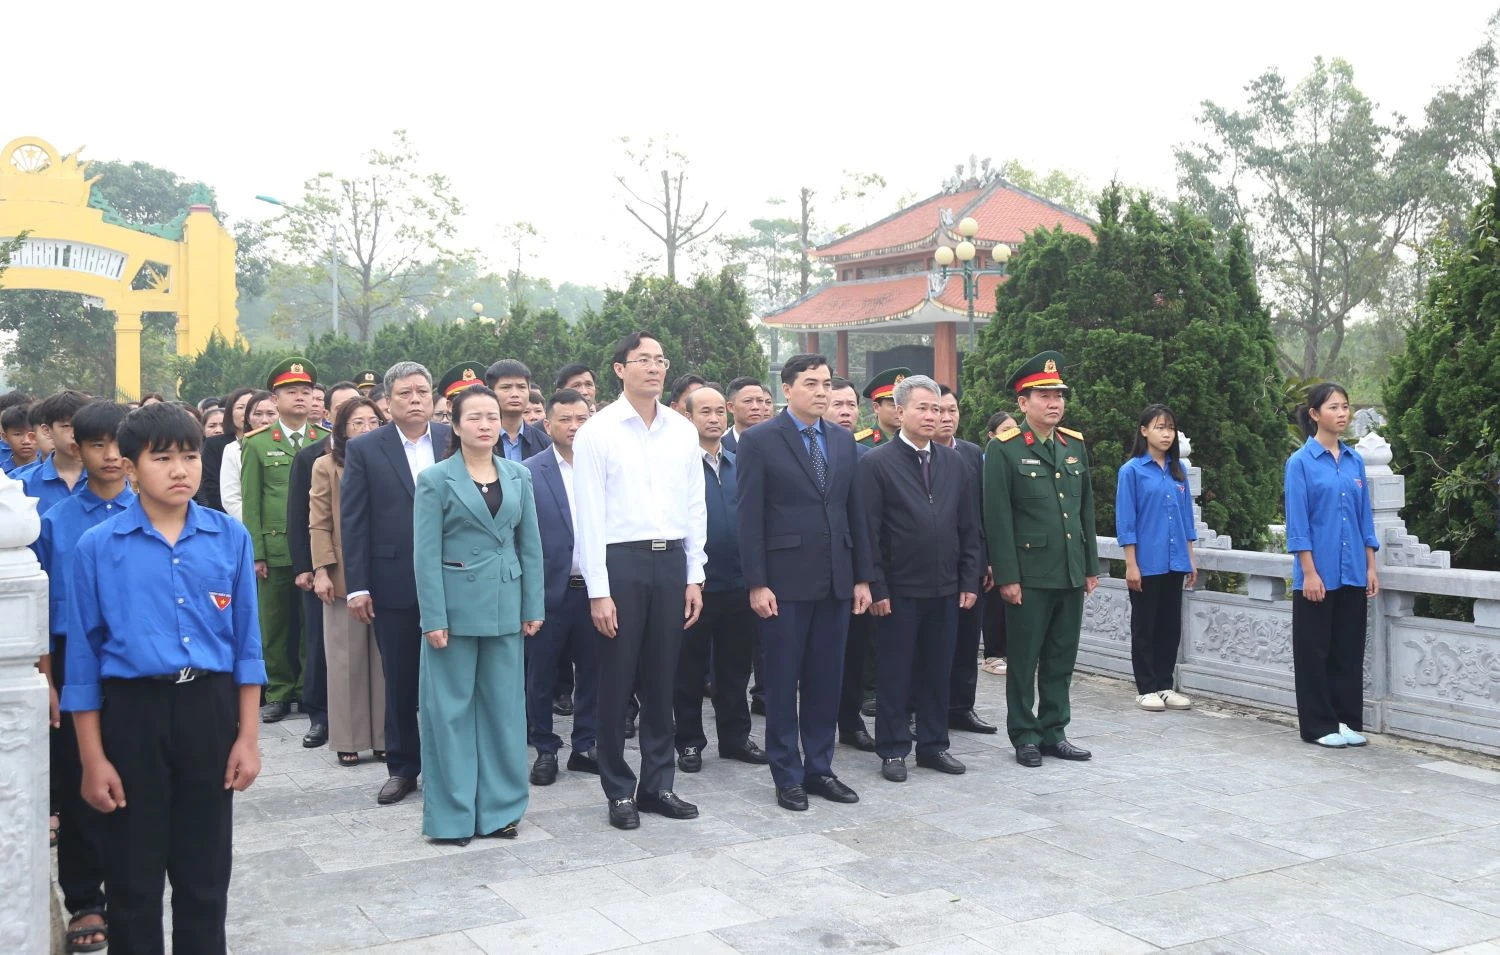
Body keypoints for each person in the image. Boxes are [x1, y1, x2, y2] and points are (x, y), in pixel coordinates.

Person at [60, 402, 264, 954]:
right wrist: (93, 759)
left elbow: (246, 646)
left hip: (208, 710)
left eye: (190, 456)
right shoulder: (98, 547)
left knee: (205, 877)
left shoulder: (229, 537)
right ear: (130, 468)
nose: (180, 470)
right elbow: (83, 660)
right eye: (163, 458)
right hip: (132, 714)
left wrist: (247, 737)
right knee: (132, 879)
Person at [573, 330, 707, 831]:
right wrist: (598, 591)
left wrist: (694, 574)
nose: (654, 368)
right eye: (643, 360)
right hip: (620, 563)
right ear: (619, 369)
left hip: (671, 561)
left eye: (660, 360)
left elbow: (695, 505)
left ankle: (657, 785)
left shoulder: (681, 430)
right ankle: (617, 789)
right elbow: (588, 515)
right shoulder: (598, 431)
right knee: (616, 681)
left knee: (662, 678)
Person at [737, 353, 874, 811]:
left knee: (825, 680)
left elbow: (855, 512)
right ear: (788, 389)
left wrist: (862, 577)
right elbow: (749, 515)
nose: (821, 392)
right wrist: (757, 582)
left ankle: (820, 768)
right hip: (783, 584)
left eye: (826, 384)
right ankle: (787, 774)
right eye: (811, 383)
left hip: (836, 579)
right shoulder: (760, 440)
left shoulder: (842, 439)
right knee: (781, 682)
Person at [413, 383, 544, 845]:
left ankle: (501, 810)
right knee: (449, 713)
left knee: (505, 712)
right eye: (474, 417)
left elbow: (530, 545)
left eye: (492, 416)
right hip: (453, 609)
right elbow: (425, 554)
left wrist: (533, 605)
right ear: (454, 424)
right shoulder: (435, 480)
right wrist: (433, 617)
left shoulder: (518, 475)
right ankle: (452, 816)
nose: (485, 425)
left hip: (506, 604)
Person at [36, 400, 134, 953]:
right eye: (99, 444)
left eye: (120, 444)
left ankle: (131, 887)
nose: (111, 455)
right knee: (80, 780)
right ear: (78, 447)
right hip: (76, 658)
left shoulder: (154, 513)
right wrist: (47, 680)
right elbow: (42, 614)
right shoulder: (56, 522)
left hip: (138, 662)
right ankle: (85, 898)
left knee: (138, 777)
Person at [341, 362, 452, 805]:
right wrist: (357, 586)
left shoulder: (452, 438)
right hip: (393, 580)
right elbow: (354, 519)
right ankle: (403, 767)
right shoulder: (366, 448)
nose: (415, 399)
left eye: (422, 391)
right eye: (405, 393)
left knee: (452, 677)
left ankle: (450, 764)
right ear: (387, 402)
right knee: (401, 678)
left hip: (454, 576)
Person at [860, 376, 981, 781]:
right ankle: (893, 748)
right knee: (895, 672)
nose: (932, 416)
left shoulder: (955, 462)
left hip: (945, 587)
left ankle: (933, 745)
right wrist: (877, 586)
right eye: (922, 408)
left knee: (937, 670)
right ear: (900, 412)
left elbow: (969, 527)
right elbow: (869, 533)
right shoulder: (876, 463)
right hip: (898, 590)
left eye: (938, 408)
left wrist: (968, 580)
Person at [983, 351, 1098, 768]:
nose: (1054, 403)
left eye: (1059, 395)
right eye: (1044, 396)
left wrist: (1089, 566)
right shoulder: (1005, 450)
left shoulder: (1073, 444)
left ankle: (1054, 731)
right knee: (1024, 659)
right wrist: (1007, 576)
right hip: (1029, 576)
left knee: (1061, 657)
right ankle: (1025, 734)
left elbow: (1085, 510)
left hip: (1069, 572)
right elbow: (997, 518)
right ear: (1023, 402)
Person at [674, 385, 767, 772]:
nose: (714, 419)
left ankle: (735, 737)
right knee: (689, 669)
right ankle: (689, 741)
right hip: (694, 585)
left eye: (718, 412)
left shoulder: (740, 462)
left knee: (735, 667)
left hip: (738, 582)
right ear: (688, 418)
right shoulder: (676, 467)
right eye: (705, 412)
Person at [1285, 382, 1380, 748]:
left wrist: (1370, 567)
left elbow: (1364, 519)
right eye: (1333, 407)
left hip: (1353, 570)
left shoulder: (1355, 461)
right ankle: (1318, 726)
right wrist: (1309, 572)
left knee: (1348, 650)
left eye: (1345, 406)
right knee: (1314, 652)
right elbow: (1298, 523)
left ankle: (1346, 720)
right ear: (1314, 414)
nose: (1342, 414)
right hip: (1317, 573)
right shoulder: (1300, 463)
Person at [523, 388, 601, 785]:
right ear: (547, 424)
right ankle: (545, 748)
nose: (574, 427)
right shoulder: (527, 471)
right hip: (547, 592)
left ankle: (585, 745)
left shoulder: (604, 466)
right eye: (565, 420)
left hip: (595, 590)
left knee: (594, 672)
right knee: (540, 677)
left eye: (581, 419)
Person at [242, 358, 322, 723]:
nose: (300, 397)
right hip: (274, 549)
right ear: (275, 399)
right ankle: (277, 691)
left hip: (313, 547)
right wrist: (256, 552)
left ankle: (308, 689)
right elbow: (252, 502)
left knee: (310, 625)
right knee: (274, 624)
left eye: (306, 391)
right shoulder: (258, 444)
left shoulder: (324, 440)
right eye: (292, 392)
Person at [311, 395, 388, 767]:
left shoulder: (390, 460)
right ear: (341, 429)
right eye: (357, 423)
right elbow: (319, 521)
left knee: (383, 659)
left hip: (385, 567)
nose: (366, 429)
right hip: (342, 571)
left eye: (373, 422)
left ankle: (385, 736)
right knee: (346, 658)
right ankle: (348, 737)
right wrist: (321, 570)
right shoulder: (326, 465)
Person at [286, 380, 361, 747]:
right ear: (330, 414)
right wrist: (308, 567)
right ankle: (320, 715)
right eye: (343, 408)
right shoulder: (312, 456)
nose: (352, 415)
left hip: (363, 565)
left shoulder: (377, 453)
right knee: (320, 643)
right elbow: (301, 516)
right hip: (325, 565)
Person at [1117, 403, 1199, 712]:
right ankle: (1146, 687)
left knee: (1169, 626)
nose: (1166, 434)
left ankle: (1165, 685)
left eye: (1171, 428)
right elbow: (1126, 521)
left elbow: (1186, 519)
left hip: (1175, 560)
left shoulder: (1178, 471)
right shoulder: (1131, 471)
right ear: (1144, 431)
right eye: (1160, 427)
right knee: (1145, 626)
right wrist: (1131, 564)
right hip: (1146, 561)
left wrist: (1190, 558)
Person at [936, 385, 999, 735]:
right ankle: (918, 708)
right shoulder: (913, 455)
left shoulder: (973, 453)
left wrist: (986, 560)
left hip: (970, 562)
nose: (947, 418)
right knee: (928, 643)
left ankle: (961, 707)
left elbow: (983, 510)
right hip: (930, 566)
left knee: (966, 639)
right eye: (940, 410)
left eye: (953, 410)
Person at [823, 377, 877, 753]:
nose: (846, 412)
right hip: (814, 570)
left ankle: (850, 720)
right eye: (837, 404)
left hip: (856, 568)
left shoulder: (867, 456)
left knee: (856, 651)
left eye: (851, 405)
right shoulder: (810, 451)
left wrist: (867, 574)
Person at [980, 410, 1017, 677]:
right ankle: (993, 654)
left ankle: (1011, 652)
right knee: (994, 603)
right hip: (992, 543)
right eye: (1005, 431)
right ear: (991, 436)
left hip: (1017, 543)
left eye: (1015, 430)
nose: (1011, 435)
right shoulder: (984, 464)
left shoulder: (1019, 462)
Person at [23, 390, 91, 515]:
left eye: (80, 425)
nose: (74, 434)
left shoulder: (109, 479)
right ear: (47, 430)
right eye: (66, 426)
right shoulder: (24, 484)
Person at [221, 390, 277, 521]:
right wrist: (254, 523)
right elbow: (231, 499)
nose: (264, 420)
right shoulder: (233, 449)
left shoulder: (290, 446)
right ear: (248, 419)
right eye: (258, 414)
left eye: (271, 414)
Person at [485, 358, 552, 461]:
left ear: (529, 390)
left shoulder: (545, 444)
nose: (515, 394)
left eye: (521, 387)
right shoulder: (480, 438)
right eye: (506, 387)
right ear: (490, 392)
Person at [199, 388, 254, 512]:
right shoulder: (215, 444)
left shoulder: (268, 442)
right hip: (225, 513)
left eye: (251, 407)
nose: (246, 412)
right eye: (240, 407)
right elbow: (212, 488)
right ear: (230, 412)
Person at [857, 367, 910, 447]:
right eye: (894, 405)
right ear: (876, 407)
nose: (901, 411)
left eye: (905, 405)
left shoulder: (917, 440)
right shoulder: (861, 443)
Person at [722, 376, 773, 451]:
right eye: (748, 401)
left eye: (760, 401)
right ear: (731, 407)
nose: (755, 407)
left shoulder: (779, 443)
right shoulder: (720, 448)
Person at [2, 402, 38, 473]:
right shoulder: (2, 473)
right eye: (17, 434)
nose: (26, 441)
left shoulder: (54, 469)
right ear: (5, 437)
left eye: (31, 433)